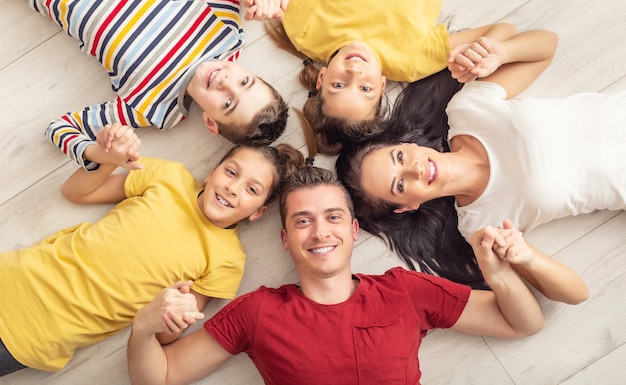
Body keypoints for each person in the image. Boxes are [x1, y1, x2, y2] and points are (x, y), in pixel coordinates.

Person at [127, 166, 546, 385]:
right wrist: (144, 329)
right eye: (303, 221)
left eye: (332, 217)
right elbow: (159, 376)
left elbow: (523, 322)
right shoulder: (256, 312)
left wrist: (498, 273)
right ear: (285, 238)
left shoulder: (405, 291)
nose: (320, 232)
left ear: (352, 229)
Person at [336, 29, 622, 304]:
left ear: (406, 145)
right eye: (399, 185)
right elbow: (576, 293)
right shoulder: (481, 226)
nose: (415, 170)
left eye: (399, 158)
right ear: (409, 206)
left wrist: (502, 52)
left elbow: (547, 45)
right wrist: (526, 258)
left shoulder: (467, 109)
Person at [0, 124, 304, 376]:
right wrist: (108, 159)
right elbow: (75, 192)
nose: (233, 188)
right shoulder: (169, 177)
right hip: (15, 275)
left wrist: (170, 315)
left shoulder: (228, 261)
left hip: (38, 335)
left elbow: (163, 335)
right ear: (212, 172)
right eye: (231, 172)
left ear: (258, 212)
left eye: (252, 189)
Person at [2, 0, 289, 171]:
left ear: (211, 123)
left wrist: (100, 153)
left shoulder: (152, 108)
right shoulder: (224, 31)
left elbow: (60, 129)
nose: (227, 83)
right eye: (245, 82)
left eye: (227, 103)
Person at [244, 0, 525, 153]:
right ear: (381, 86)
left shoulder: (309, 32)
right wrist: (483, 53)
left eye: (339, 85)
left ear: (322, 78)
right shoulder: (411, 62)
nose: (354, 71)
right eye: (365, 89)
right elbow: (506, 32)